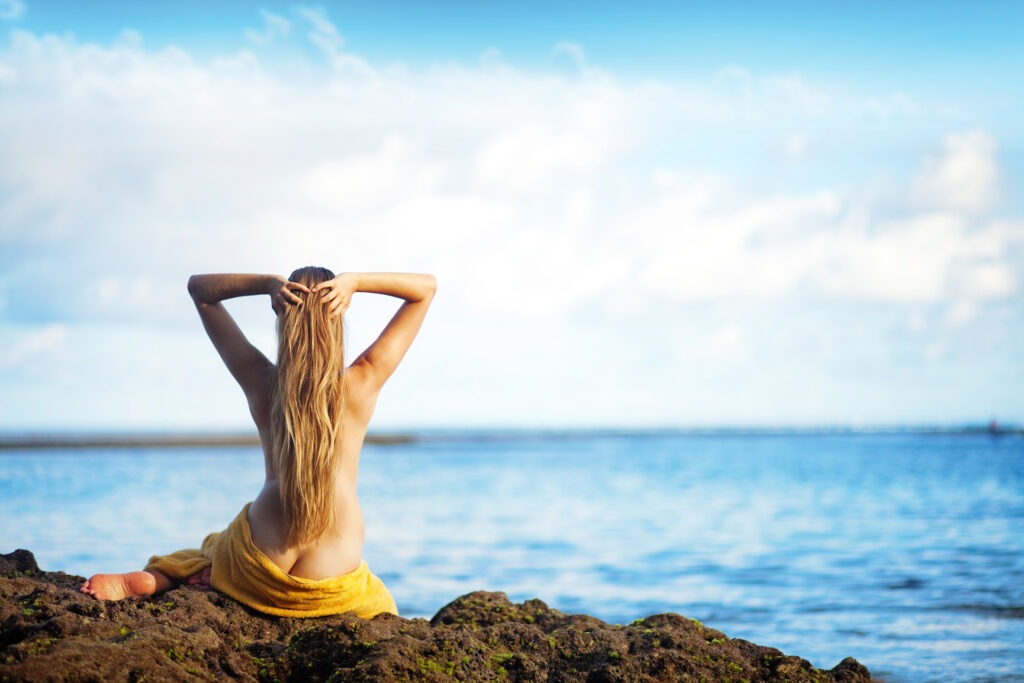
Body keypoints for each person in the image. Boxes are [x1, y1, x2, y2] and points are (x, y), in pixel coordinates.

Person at [80, 269, 436, 618]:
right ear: (338, 318)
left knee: (205, 556)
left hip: (260, 563)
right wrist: (355, 282)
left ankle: (159, 579)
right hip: (333, 569)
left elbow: (200, 290)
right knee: (379, 602)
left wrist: (266, 284)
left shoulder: (262, 381)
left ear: (282, 319)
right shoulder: (363, 379)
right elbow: (425, 289)